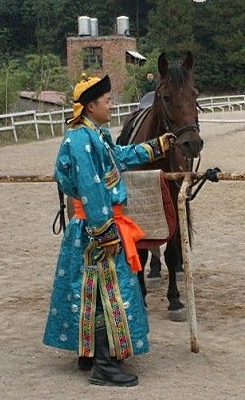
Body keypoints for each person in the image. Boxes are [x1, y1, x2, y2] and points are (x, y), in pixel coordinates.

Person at [43, 74, 173, 387]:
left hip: (96, 224)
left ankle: (90, 354)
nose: (112, 105)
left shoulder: (95, 134)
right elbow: (90, 186)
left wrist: (155, 148)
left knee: (91, 290)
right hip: (95, 227)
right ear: (91, 105)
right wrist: (104, 230)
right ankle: (103, 364)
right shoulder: (81, 139)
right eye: (108, 100)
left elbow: (119, 158)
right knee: (105, 293)